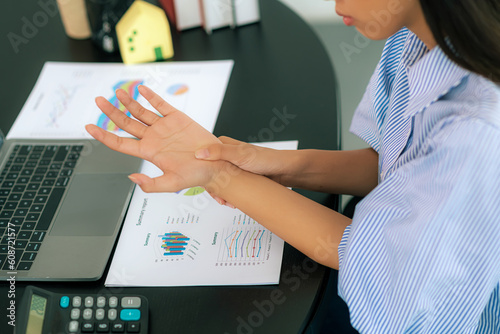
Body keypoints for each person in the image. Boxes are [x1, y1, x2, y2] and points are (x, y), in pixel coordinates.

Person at [86, 0, 500, 332]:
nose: (334, 4)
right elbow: (396, 168)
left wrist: (223, 176)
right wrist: (275, 164)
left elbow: (376, 263)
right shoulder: (417, 38)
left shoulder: (474, 132)